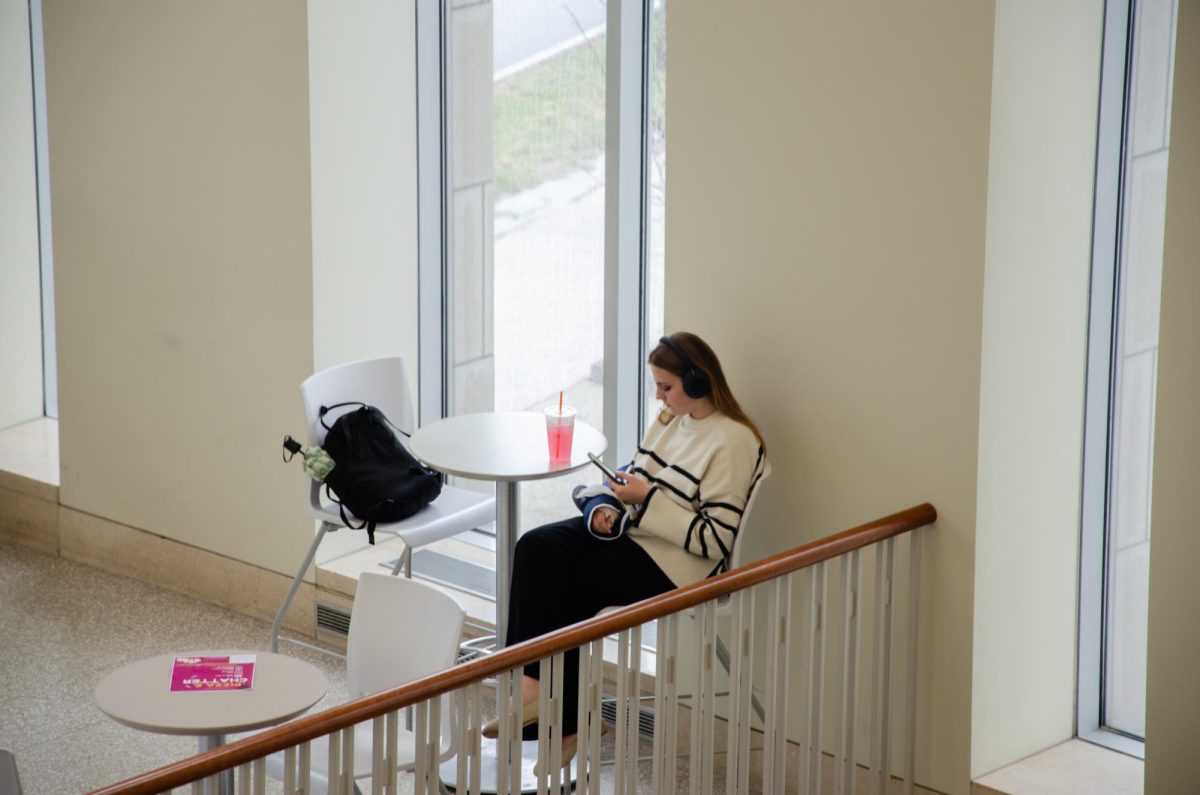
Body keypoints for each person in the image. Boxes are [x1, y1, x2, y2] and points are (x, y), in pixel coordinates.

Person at [481, 331, 767, 766]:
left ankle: (569, 722)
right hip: (634, 531)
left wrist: (645, 500)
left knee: (572, 583)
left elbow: (714, 541)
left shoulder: (733, 441)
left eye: (666, 387)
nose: (659, 396)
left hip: (678, 562)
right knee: (535, 547)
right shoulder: (673, 420)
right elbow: (634, 473)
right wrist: (606, 502)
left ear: (697, 382)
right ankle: (533, 689)